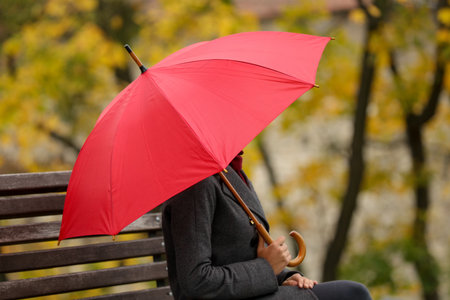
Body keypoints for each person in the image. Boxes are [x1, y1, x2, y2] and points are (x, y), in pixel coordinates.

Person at [162, 151, 372, 299]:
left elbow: (239, 254)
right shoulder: (196, 184)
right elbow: (196, 281)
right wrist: (266, 269)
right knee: (352, 295)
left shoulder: (230, 173)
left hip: (252, 293)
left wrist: (285, 276)